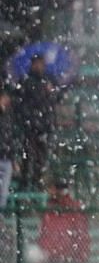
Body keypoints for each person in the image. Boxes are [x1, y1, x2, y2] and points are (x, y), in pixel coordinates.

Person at [15, 54, 57, 191]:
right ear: (33, 64)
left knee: (41, 157)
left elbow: (53, 101)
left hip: (43, 125)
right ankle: (25, 183)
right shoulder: (26, 81)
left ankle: (36, 182)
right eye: (38, 63)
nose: (40, 66)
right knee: (28, 156)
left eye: (42, 64)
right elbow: (24, 101)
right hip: (30, 124)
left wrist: (51, 92)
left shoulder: (48, 80)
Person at [0, 86, 15, 209]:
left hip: (6, 157)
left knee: (4, 191)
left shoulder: (8, 116)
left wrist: (13, 158)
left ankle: (1, 214)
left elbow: (10, 139)